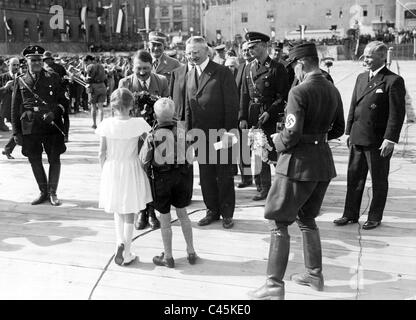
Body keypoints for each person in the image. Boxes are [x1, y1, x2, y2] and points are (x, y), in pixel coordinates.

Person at [248, 42, 345, 300]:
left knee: (278, 222)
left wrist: (274, 142)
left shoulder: (299, 92)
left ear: (301, 64)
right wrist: (316, 138)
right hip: (322, 164)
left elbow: (290, 134)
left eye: (295, 67)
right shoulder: (333, 90)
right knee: (307, 220)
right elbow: (338, 129)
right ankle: (314, 275)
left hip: (296, 166)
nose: (295, 73)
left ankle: (273, 285)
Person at [333, 41, 406, 230]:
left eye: (369, 56)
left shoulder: (392, 80)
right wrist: (348, 131)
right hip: (358, 136)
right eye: (364, 56)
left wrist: (390, 139)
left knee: (378, 180)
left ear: (382, 57)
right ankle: (350, 214)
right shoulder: (360, 77)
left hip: (378, 140)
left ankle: (374, 216)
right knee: (354, 177)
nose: (365, 60)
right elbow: (354, 106)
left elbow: (397, 114)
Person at [185, 36, 239, 229]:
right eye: (189, 53)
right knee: (206, 175)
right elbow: (188, 107)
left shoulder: (222, 72)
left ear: (206, 51)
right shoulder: (190, 74)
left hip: (220, 133)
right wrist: (189, 132)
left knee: (224, 175)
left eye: (195, 53)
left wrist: (229, 133)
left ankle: (227, 213)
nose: (192, 56)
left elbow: (232, 106)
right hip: (200, 135)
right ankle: (212, 210)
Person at [96, 88, 152, 266]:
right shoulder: (138, 123)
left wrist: (103, 169)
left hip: (112, 167)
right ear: (132, 105)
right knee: (130, 210)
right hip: (131, 166)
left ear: (112, 106)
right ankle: (126, 251)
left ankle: (119, 242)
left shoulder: (106, 123)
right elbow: (150, 140)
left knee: (117, 208)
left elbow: (101, 153)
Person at [139, 98, 197, 268]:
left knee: (165, 219)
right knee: (183, 214)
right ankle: (191, 251)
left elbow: (144, 160)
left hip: (162, 180)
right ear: (173, 114)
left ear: (156, 115)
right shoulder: (182, 132)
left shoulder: (152, 134)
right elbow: (190, 155)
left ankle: (169, 256)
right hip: (181, 177)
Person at [11, 45, 68, 206]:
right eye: (33, 60)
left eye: (39, 60)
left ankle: (53, 193)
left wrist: (55, 113)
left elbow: (64, 101)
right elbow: (15, 107)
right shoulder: (20, 80)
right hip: (30, 126)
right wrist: (16, 132)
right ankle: (43, 191)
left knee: (54, 158)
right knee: (34, 159)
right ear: (26, 62)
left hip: (51, 125)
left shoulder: (53, 77)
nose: (36, 63)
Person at [119, 50, 169, 231]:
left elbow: (167, 109)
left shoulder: (161, 81)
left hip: (156, 135)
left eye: (146, 68)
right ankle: (142, 211)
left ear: (152, 67)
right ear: (132, 67)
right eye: (138, 68)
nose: (141, 72)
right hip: (134, 137)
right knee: (138, 174)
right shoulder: (124, 83)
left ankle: (153, 212)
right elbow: (120, 112)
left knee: (154, 174)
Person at [240, 32, 290, 201]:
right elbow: (244, 94)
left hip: (271, 116)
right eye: (249, 47)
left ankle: (280, 188)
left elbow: (282, 95)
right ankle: (263, 186)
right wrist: (243, 117)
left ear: (263, 46)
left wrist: (270, 111)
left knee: (272, 152)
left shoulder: (277, 68)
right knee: (258, 151)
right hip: (254, 114)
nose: (250, 50)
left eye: (253, 46)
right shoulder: (249, 67)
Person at [235, 41, 254, 188]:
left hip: (255, 113)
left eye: (249, 49)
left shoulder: (256, 66)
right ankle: (246, 178)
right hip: (242, 114)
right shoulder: (240, 67)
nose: (246, 52)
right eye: (244, 50)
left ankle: (263, 182)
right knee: (243, 149)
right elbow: (238, 93)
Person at [43, 51, 70, 142]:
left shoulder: (60, 67)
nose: (47, 61)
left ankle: (66, 134)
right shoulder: (42, 68)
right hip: (50, 96)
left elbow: (66, 80)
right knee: (54, 115)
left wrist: (63, 81)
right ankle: (57, 134)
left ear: (51, 59)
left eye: (48, 59)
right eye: (45, 60)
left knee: (65, 115)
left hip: (61, 93)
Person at [1, 57, 20, 159]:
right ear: (9, 66)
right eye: (14, 65)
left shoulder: (22, 77)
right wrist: (5, 87)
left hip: (19, 109)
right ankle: (8, 149)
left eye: (17, 65)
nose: (16, 67)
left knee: (18, 130)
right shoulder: (3, 77)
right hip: (7, 108)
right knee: (18, 130)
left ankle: (8, 150)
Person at [83, 55, 107, 129]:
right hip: (102, 86)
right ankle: (101, 123)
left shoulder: (90, 66)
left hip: (94, 87)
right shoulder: (101, 66)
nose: (86, 63)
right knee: (100, 107)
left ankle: (94, 124)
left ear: (89, 60)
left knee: (93, 106)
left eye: (86, 62)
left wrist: (82, 77)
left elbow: (88, 79)